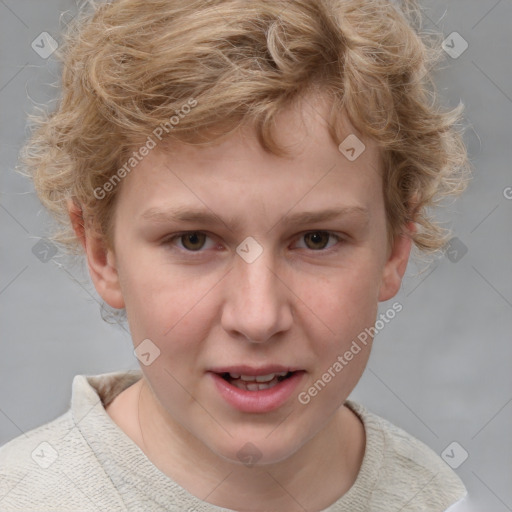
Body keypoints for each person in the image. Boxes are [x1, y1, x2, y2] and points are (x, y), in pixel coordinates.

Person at [0, 0, 472, 510]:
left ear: (396, 248)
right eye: (194, 240)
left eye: (316, 239)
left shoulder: (437, 498)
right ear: (102, 253)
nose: (258, 317)